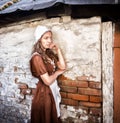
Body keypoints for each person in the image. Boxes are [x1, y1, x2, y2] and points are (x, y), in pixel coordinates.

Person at [30, 25, 66, 123]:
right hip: (44, 93)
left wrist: (58, 50)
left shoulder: (48, 54)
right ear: (39, 40)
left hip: (52, 90)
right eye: (46, 38)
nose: (49, 41)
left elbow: (62, 67)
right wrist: (58, 73)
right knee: (47, 118)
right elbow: (47, 81)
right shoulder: (36, 58)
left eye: (50, 38)